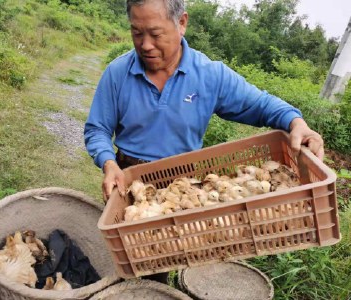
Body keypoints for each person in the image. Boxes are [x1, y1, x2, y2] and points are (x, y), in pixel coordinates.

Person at [84, 1, 324, 282]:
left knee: (158, 266)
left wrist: (297, 123)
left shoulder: (209, 75)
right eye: (137, 33)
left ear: (182, 23)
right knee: (118, 263)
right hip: (129, 185)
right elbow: (97, 128)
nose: (146, 44)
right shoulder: (117, 73)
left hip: (181, 189)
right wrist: (107, 161)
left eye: (156, 33)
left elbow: (262, 104)